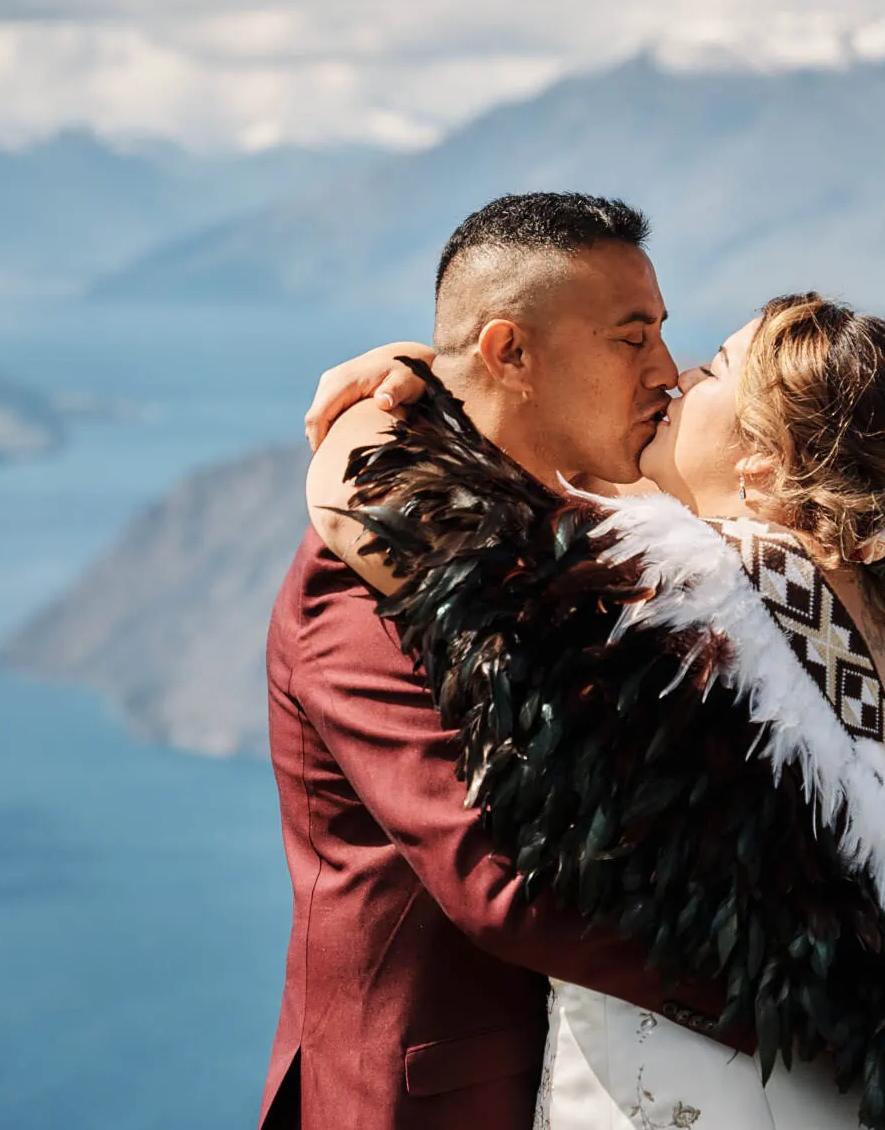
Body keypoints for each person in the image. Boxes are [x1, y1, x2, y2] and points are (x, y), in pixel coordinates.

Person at [302, 215, 885, 1126]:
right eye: (639, 337)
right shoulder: (857, 606)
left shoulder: (701, 585)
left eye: (712, 371)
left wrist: (364, 421)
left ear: (763, 460)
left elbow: (409, 523)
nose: (676, 376)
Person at [260, 194, 741, 1130]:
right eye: (631, 338)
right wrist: (799, 994)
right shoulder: (366, 576)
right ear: (511, 353)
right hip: (423, 1103)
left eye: (660, 332)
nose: (666, 371)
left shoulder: (577, 529)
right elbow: (501, 885)